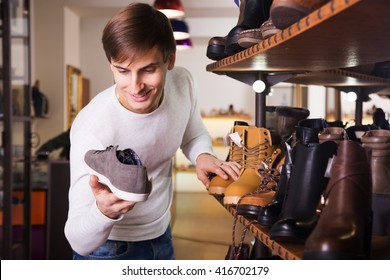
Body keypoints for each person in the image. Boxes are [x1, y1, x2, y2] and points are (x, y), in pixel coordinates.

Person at [64, 2, 241, 260]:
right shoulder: (92, 128)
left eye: (148, 69)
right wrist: (103, 213)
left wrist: (202, 155)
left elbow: (193, 133)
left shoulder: (183, 84)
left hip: (162, 236)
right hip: (107, 250)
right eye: (122, 71)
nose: (135, 87)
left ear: (170, 60)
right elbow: (78, 240)